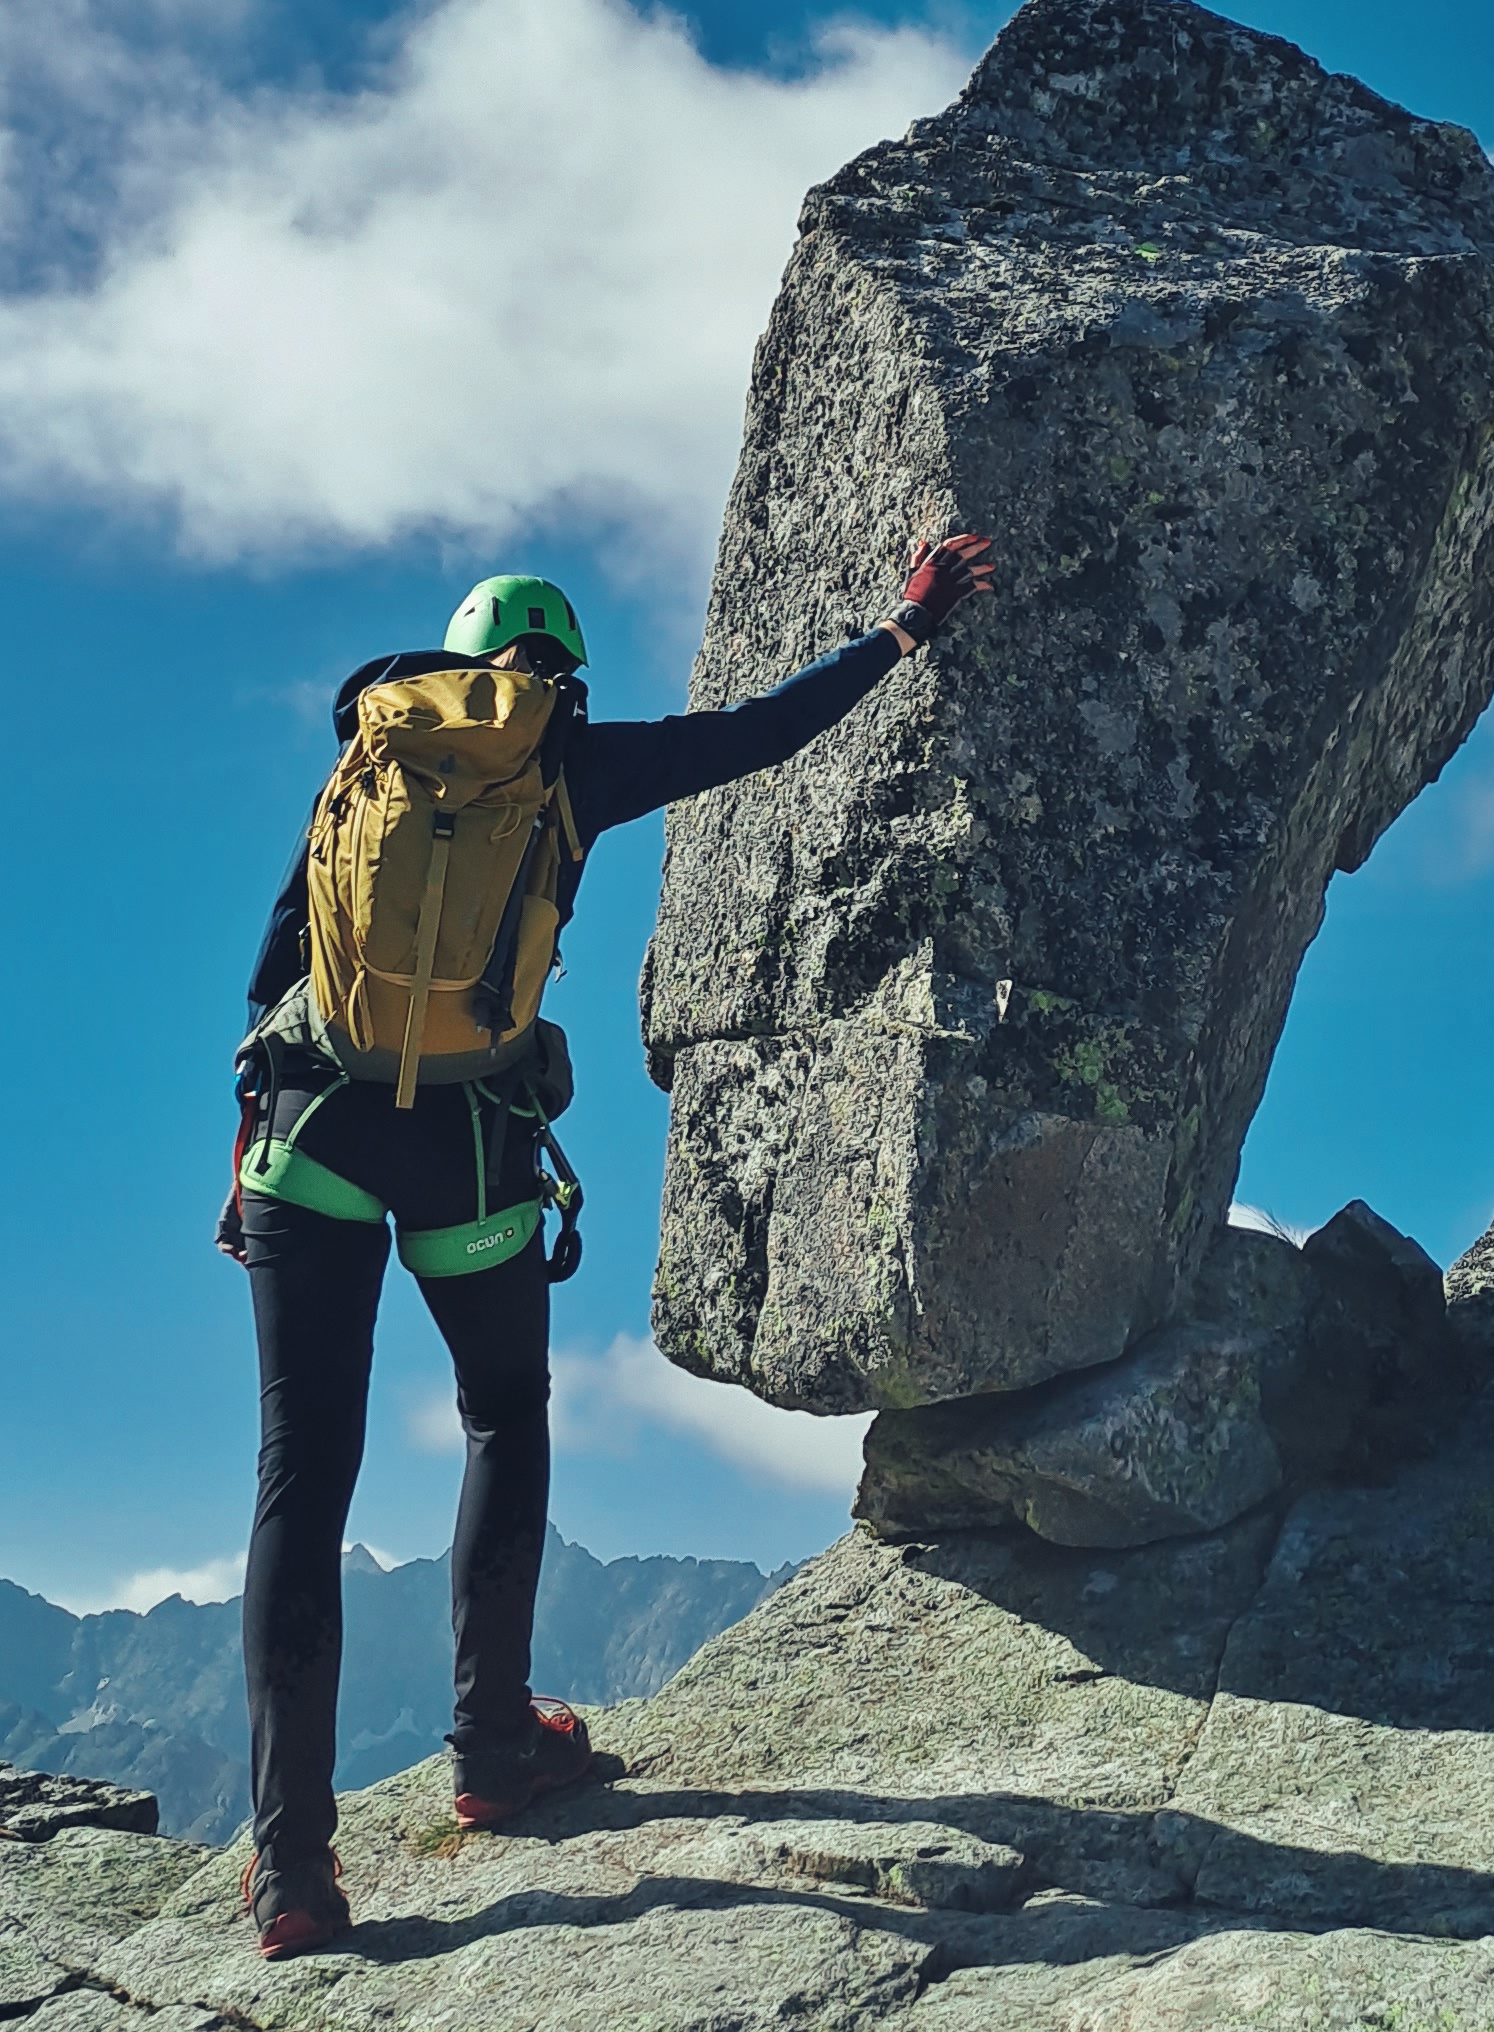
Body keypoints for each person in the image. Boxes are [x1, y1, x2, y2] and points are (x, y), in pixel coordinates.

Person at [222, 528, 999, 1959]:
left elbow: (278, 965)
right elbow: (756, 734)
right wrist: (903, 632)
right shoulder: (572, 765)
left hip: (310, 1137)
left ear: (457, 662)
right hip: (467, 1146)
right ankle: (492, 1748)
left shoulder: (375, 752)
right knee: (502, 1415)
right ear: (562, 676)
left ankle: (292, 1872)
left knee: (301, 1479)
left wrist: (257, 1136)